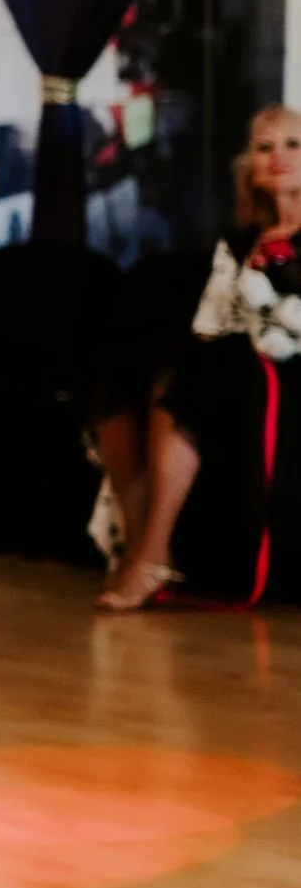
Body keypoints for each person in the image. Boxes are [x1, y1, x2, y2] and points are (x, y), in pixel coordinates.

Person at [96, 103, 301, 612]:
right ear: (250, 169)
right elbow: (211, 319)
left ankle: (152, 554)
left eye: (293, 145)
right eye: (265, 147)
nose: (279, 156)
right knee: (118, 380)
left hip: (288, 365)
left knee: (189, 375)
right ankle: (141, 542)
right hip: (238, 359)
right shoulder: (239, 241)